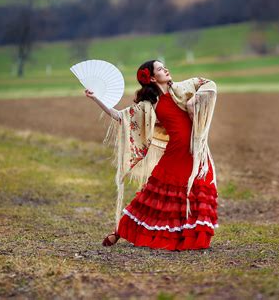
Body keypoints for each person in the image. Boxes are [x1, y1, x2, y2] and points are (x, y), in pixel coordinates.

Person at [85, 60, 218, 251]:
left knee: (197, 194)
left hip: (196, 152)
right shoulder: (150, 105)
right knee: (153, 198)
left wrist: (193, 101)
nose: (166, 69)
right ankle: (120, 231)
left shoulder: (182, 89)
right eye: (160, 69)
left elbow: (209, 84)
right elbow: (120, 116)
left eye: (165, 66)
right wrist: (95, 98)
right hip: (175, 154)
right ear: (153, 78)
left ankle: (192, 238)